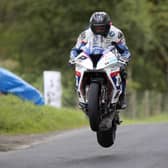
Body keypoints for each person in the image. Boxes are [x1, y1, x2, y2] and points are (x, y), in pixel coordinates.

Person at [69, 11, 131, 109]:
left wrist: (124, 60)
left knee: (122, 71)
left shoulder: (116, 33)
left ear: (108, 25)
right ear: (91, 26)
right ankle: (82, 97)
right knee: (78, 69)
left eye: (102, 27)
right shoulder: (85, 35)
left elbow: (125, 51)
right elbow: (75, 49)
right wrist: (72, 58)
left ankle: (121, 97)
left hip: (110, 57)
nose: (99, 30)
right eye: (96, 27)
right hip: (91, 57)